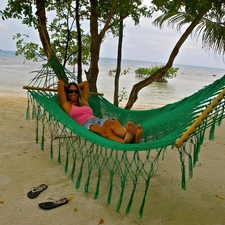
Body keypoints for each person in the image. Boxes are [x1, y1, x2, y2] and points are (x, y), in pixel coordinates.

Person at [57, 80, 143, 143]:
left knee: (114, 123)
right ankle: (125, 142)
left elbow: (86, 84)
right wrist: (68, 88)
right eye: (70, 91)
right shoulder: (66, 104)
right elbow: (60, 83)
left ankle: (128, 136)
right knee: (106, 131)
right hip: (86, 124)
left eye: (76, 91)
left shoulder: (84, 102)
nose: (73, 93)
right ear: (66, 93)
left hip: (97, 119)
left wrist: (74, 88)